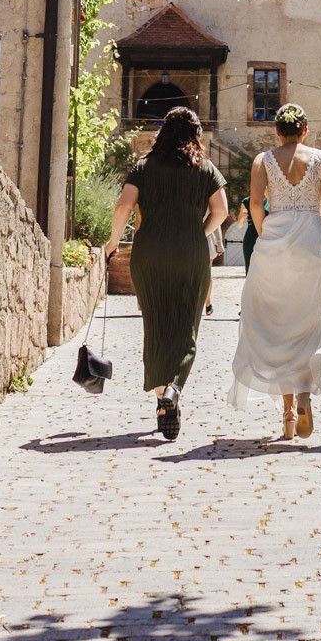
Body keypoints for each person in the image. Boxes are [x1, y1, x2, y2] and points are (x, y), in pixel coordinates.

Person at [105, 106, 228, 440]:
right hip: (190, 253)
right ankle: (174, 389)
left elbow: (123, 206)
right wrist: (197, 232)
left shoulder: (144, 167)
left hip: (150, 254)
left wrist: (112, 241)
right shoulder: (206, 168)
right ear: (195, 136)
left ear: (162, 135)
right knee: (186, 325)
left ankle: (163, 397)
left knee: (157, 324)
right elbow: (221, 211)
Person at [229, 103, 321, 439]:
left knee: (278, 326)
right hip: (313, 240)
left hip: (276, 241)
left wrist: (267, 235)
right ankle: (306, 396)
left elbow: (253, 205)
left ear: (277, 131)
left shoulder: (262, 160)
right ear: (305, 129)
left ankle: (289, 414)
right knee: (308, 323)